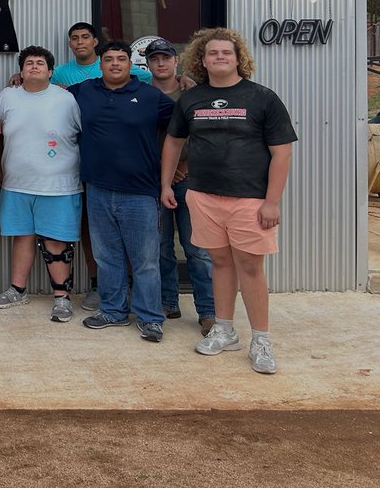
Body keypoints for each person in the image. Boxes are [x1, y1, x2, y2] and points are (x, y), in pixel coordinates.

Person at [162, 28, 296, 374]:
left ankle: (262, 340)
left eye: (226, 53)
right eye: (212, 53)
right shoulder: (191, 99)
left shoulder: (262, 98)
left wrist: (272, 201)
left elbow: (281, 153)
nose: (220, 57)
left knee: (250, 267)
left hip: (250, 199)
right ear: (201, 60)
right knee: (220, 263)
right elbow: (174, 143)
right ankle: (224, 329)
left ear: (238, 59)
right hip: (204, 196)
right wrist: (166, 184)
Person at [69, 41, 174, 342]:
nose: (115, 64)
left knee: (145, 260)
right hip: (98, 189)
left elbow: (182, 126)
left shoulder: (151, 96)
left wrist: (178, 166)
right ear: (100, 64)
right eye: (109, 59)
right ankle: (113, 311)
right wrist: (18, 79)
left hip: (140, 192)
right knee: (107, 256)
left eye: (121, 59)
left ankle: (150, 318)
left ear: (131, 65)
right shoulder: (85, 91)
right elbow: (51, 94)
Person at [49, 21, 149, 312]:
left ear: (96, 42)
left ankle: (131, 288)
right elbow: (41, 83)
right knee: (91, 229)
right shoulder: (61, 72)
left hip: (126, 166)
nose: (79, 42)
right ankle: (97, 283)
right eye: (74, 39)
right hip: (81, 159)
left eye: (85, 37)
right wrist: (20, 76)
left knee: (130, 231)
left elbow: (159, 80)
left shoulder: (131, 73)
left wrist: (182, 81)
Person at [0, 46, 83, 323]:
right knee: (23, 236)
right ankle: (17, 290)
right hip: (16, 183)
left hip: (59, 183)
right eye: (28, 63)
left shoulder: (66, 98)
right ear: (20, 70)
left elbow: (85, 132)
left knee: (56, 241)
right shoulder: (8, 96)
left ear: (51, 71)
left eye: (40, 63)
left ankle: (62, 298)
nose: (33, 67)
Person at [144, 38, 215, 336]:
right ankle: (168, 302)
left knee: (197, 249)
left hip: (189, 179)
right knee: (160, 248)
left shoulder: (194, 93)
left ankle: (209, 311)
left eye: (166, 58)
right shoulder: (141, 93)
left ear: (176, 62)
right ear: (147, 65)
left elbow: (207, 135)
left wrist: (182, 167)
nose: (161, 63)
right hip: (154, 181)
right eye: (154, 59)